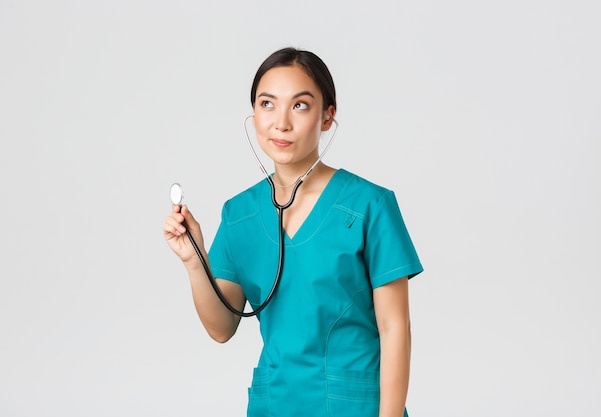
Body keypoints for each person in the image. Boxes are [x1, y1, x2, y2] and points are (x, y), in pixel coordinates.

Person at [163, 47, 423, 417]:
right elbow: (222, 327)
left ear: (327, 117)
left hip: (355, 407)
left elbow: (395, 326)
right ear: (253, 114)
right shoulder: (238, 214)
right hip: (275, 404)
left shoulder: (370, 205)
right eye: (267, 104)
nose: (280, 123)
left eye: (300, 106)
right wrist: (194, 261)